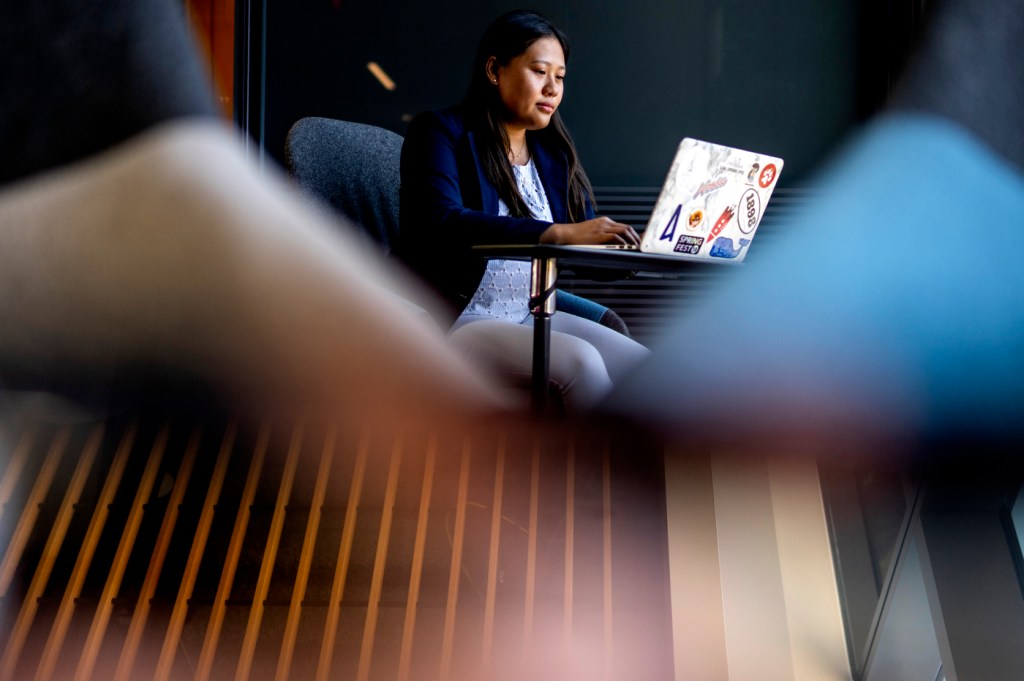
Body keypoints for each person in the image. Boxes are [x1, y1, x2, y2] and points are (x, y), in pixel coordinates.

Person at [399, 10, 649, 409]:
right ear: (495, 70)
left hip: (528, 316)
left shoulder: (551, 154)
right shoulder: (440, 132)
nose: (552, 88)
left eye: (561, 77)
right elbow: (441, 221)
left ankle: (654, 471)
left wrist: (643, 244)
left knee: (646, 369)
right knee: (582, 364)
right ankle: (590, 473)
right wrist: (554, 233)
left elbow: (585, 253)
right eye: (540, 72)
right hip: (460, 321)